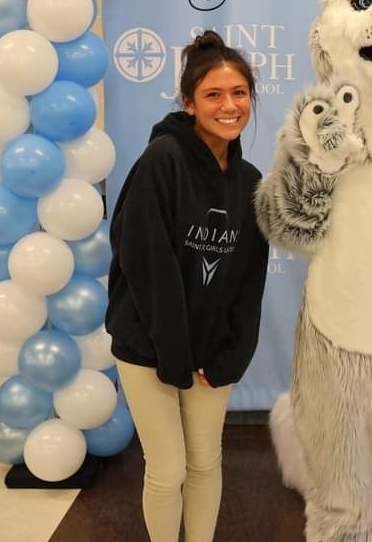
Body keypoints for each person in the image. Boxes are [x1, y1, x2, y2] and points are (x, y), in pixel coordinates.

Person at [106, 30, 269, 542]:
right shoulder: (163, 161)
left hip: (209, 354)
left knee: (204, 462)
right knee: (169, 467)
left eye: (238, 93)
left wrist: (230, 351)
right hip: (149, 345)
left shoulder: (250, 182)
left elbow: (248, 281)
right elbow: (146, 264)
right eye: (213, 95)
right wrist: (175, 353)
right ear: (189, 102)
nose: (229, 105)